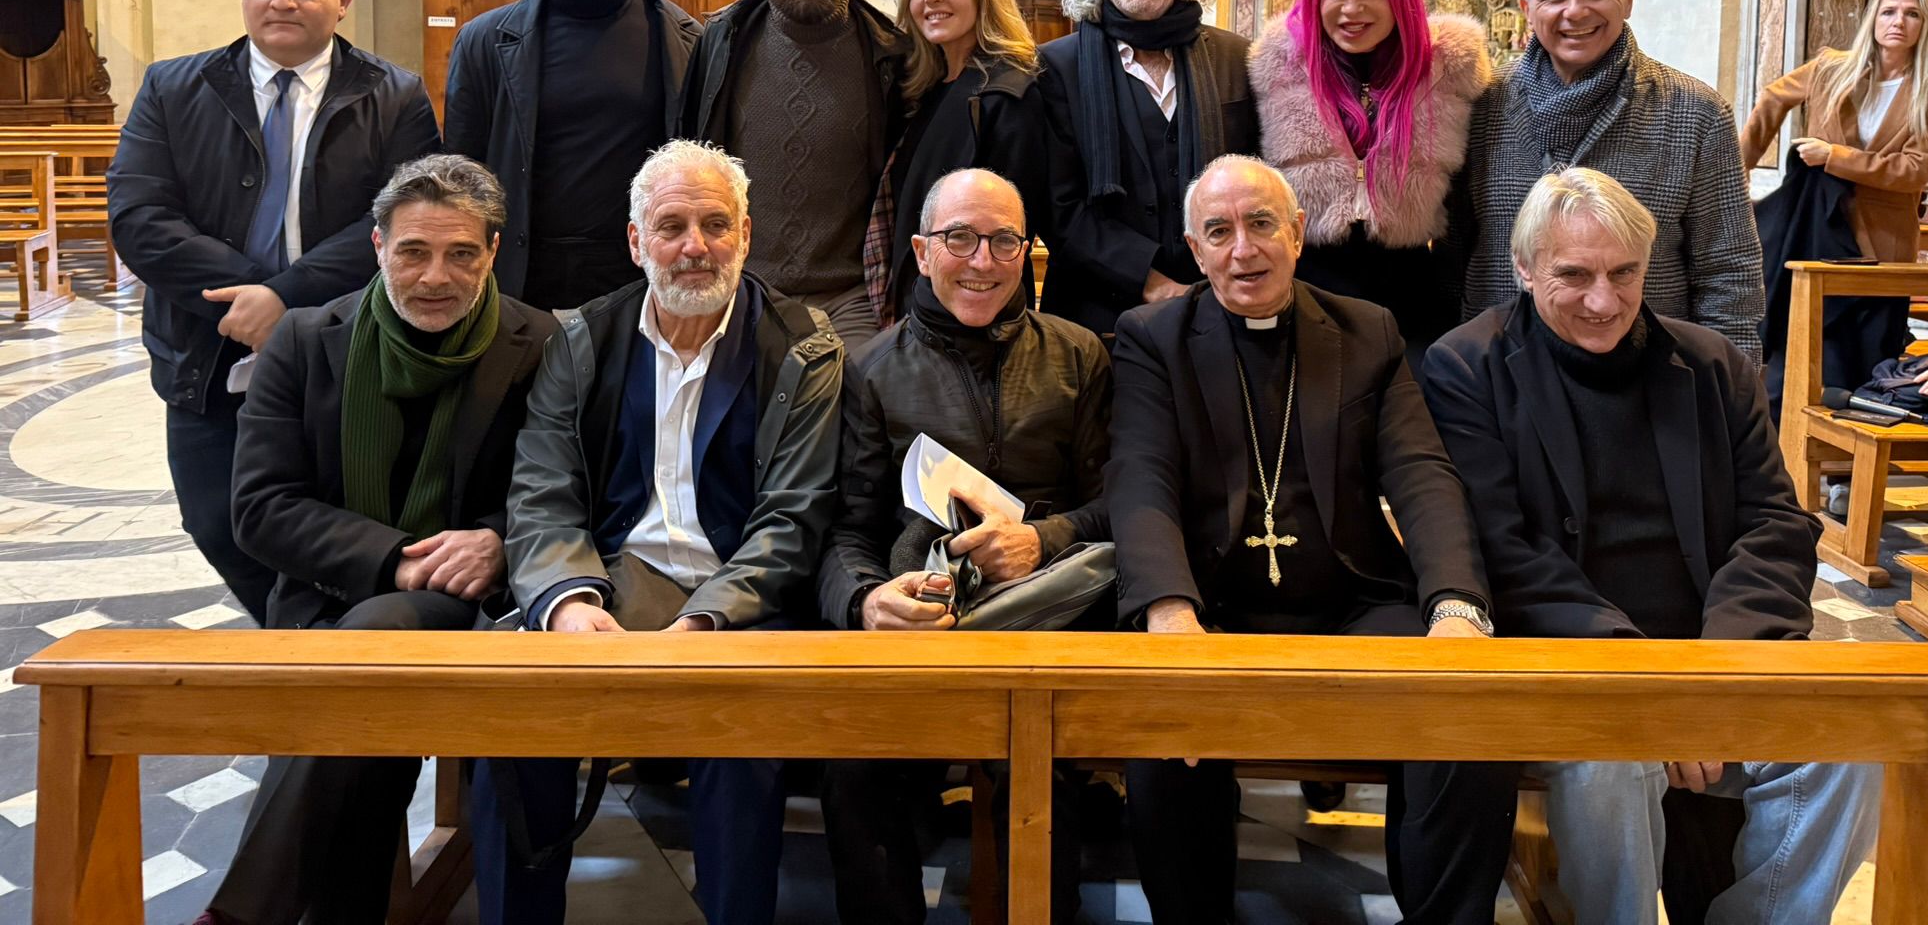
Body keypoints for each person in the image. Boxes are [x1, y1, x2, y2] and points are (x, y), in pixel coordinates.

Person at [1423, 169, 1879, 925]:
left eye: (1624, 273)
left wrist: (1710, 675)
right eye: (1574, 275)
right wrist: (1652, 685)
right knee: (1609, 762)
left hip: (1718, 657)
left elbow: (1775, 524)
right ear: (1525, 268)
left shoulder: (1713, 365)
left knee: (1851, 746)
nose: (1604, 301)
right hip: (1578, 664)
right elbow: (1502, 549)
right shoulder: (1465, 367)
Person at [1106, 155, 1518, 925]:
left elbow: (1422, 473)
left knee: (1466, 721)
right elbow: (1139, 478)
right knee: (1164, 737)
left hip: (1351, 605)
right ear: (1195, 251)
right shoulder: (1152, 337)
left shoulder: (1367, 330)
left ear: (1297, 234)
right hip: (1212, 609)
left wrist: (1457, 608)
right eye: (1218, 232)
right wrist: (1169, 615)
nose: (1243, 250)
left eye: (1262, 224)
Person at [470, 139, 844, 925]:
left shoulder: (804, 348)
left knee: (740, 733)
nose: (695, 247)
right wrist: (569, 603)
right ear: (637, 242)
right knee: (514, 718)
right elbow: (542, 494)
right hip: (609, 581)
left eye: (716, 224)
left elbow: (793, 515)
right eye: (671, 226)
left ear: (746, 235)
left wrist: (705, 621)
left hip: (744, 602)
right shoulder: (581, 339)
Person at [192, 156, 556, 925]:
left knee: (370, 651)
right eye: (413, 251)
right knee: (365, 697)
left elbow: (568, 489)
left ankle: (242, 914)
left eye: (461, 253)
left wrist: (497, 541)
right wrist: (394, 560)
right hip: (328, 598)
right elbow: (260, 507)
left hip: (475, 604)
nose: (436, 276)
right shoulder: (303, 340)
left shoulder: (541, 342)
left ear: (493, 251)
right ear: (378, 245)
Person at [108, 0, 440, 619]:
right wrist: (244, 301)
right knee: (217, 520)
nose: (282, 1)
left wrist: (284, 298)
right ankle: (295, 640)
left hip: (343, 345)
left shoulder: (395, 94)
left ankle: (319, 656)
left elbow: (405, 220)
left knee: (338, 516)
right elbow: (139, 217)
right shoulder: (172, 87)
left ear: (342, 1)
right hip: (206, 345)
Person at [819, 167, 1110, 924]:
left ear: (1028, 253)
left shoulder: (1079, 354)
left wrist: (1040, 539)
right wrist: (867, 600)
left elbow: (1121, 505)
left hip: (1053, 623)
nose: (983, 261)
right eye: (959, 239)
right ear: (921, 252)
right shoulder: (871, 369)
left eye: (1004, 241)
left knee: (1042, 767)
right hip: (926, 628)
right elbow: (847, 528)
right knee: (856, 767)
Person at [1460, 0, 1766, 362]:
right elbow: (1452, 258)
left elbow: (1728, 272)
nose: (1575, 11)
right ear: (1527, 9)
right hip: (1500, 372)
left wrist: (1729, 383)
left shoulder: (1695, 112)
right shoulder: (1480, 105)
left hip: (1648, 374)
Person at [444, 0, 701, 309]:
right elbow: (463, 179)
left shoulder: (687, 41)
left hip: (648, 280)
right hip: (525, 283)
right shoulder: (483, 43)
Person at [678, 0, 909, 350]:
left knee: (860, 395)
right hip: (742, 290)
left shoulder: (890, 52)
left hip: (852, 297)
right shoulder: (722, 42)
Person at [1249, 0, 1490, 356]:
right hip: (1303, 303)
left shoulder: (1448, 74)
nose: (1351, 9)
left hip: (1412, 308)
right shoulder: (1279, 72)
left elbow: (1467, 209)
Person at [1039, 0, 1260, 336]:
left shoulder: (1236, 59)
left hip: (1218, 310)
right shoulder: (1055, 68)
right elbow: (1057, 208)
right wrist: (1154, 285)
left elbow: (1261, 185)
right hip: (1095, 321)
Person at [879, 0, 1051, 321]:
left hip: (975, 311)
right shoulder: (919, 91)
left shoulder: (1009, 93)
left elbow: (1010, 234)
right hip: (919, 304)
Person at [1741, 0, 1928, 264]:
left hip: (1882, 231)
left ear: (1926, 26)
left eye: (1912, 14)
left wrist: (1834, 156)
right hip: (1814, 217)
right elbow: (1773, 97)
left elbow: (1913, 171)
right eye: (1888, 12)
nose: (1898, 22)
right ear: (1873, 21)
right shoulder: (1830, 69)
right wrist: (1742, 165)